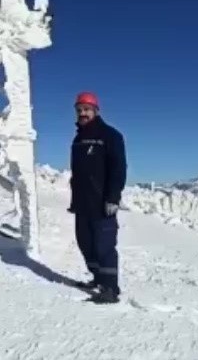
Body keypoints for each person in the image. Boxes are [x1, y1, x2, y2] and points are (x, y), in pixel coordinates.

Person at [69, 91, 127, 304]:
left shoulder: (110, 136)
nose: (82, 113)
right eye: (79, 110)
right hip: (82, 203)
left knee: (104, 246)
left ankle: (110, 289)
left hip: (102, 203)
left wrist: (113, 197)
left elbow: (118, 169)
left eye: (86, 109)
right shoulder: (78, 138)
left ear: (96, 110)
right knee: (86, 244)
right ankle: (98, 279)